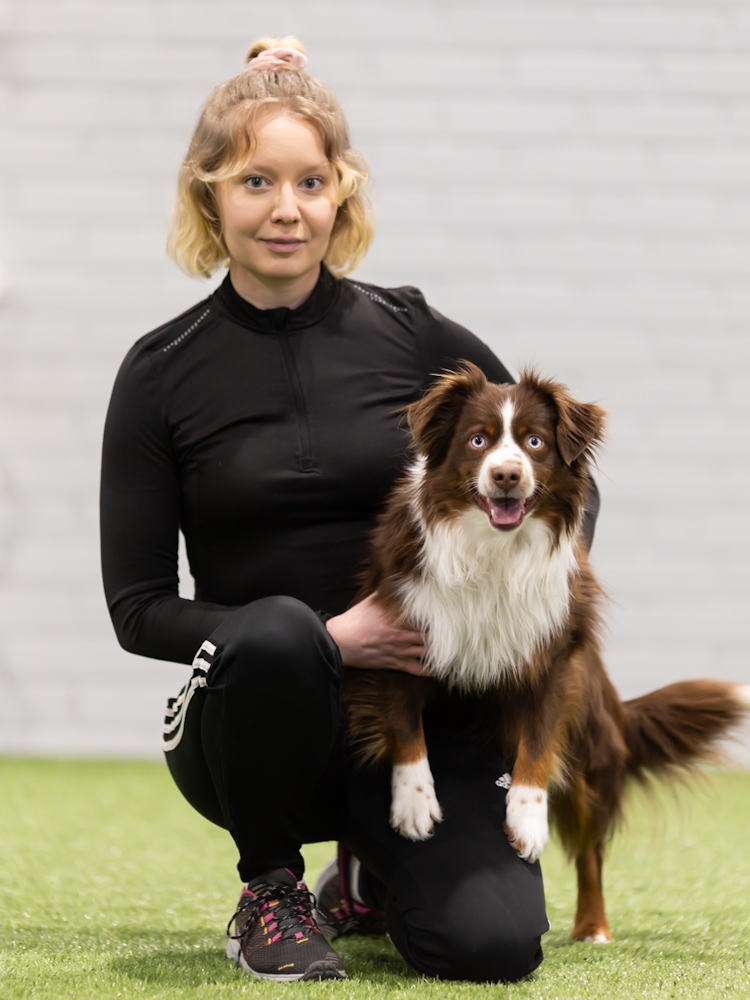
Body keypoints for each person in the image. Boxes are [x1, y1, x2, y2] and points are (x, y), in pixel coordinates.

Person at [100, 37, 583, 984]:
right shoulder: (159, 373)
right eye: (256, 182)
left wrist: (529, 600)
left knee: (489, 945)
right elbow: (138, 609)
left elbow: (558, 470)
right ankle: (270, 888)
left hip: (417, 715)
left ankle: (367, 873)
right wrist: (330, 639)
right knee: (280, 632)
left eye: (311, 183)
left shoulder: (411, 332)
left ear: (341, 195)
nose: (286, 209)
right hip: (249, 723)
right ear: (209, 194)